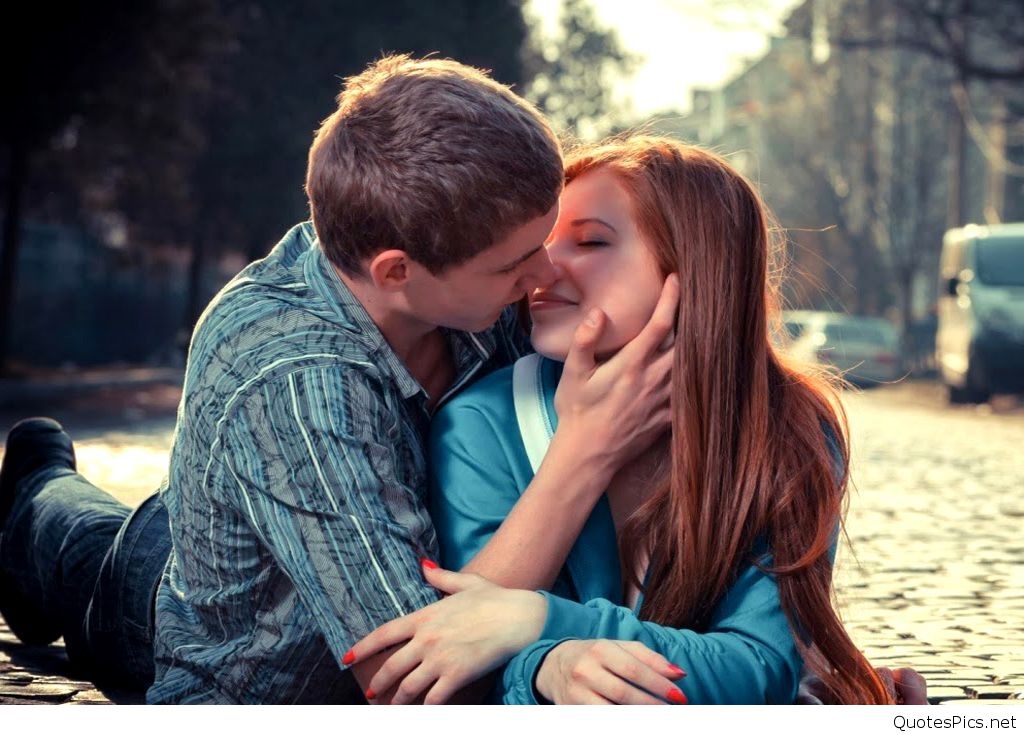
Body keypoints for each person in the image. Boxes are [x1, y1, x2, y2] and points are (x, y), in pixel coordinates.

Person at [0, 56, 678, 703]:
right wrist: (584, 452)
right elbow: (410, 681)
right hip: (173, 613)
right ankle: (33, 484)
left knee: (125, 530)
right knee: (63, 539)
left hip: (236, 515)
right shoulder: (293, 380)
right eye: (516, 264)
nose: (543, 275)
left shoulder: (455, 254)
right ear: (396, 272)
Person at [347, 136, 929, 705]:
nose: (544, 270)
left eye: (591, 242)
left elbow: (762, 670)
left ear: (698, 266)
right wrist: (547, 666)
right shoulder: (482, 421)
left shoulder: (788, 426)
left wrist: (537, 619)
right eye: (541, 246)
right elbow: (465, 660)